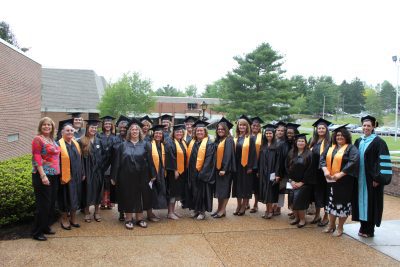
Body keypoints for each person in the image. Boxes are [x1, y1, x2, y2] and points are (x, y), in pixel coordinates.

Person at [111, 119, 156, 229]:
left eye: (136, 129)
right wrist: (114, 176)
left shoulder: (145, 144)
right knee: (128, 196)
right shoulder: (123, 145)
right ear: (129, 132)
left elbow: (150, 160)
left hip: (142, 176)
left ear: (140, 131)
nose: (134, 131)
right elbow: (116, 162)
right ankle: (128, 219)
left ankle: (140, 219)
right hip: (126, 176)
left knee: (140, 196)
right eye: (132, 129)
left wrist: (153, 174)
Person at [353, 115, 392, 237]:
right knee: (360, 202)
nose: (366, 128)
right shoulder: (359, 141)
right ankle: (363, 226)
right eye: (364, 125)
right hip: (360, 179)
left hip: (372, 179)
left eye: (368, 125)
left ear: (373, 126)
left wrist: (378, 178)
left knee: (371, 203)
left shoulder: (379, 142)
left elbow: (383, 161)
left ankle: (369, 230)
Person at [320, 125, 359, 237]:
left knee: (342, 204)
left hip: (344, 182)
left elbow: (353, 162)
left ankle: (340, 227)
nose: (339, 137)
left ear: (346, 136)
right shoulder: (331, 147)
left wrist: (341, 174)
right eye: (337, 135)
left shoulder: (351, 148)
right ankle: (331, 225)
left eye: (342, 135)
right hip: (330, 181)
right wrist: (325, 170)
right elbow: (322, 158)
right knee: (331, 203)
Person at [31, 117, 60, 241]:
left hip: (54, 175)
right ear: (40, 126)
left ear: (52, 127)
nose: (47, 127)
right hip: (43, 175)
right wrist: (43, 175)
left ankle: (45, 227)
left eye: (49, 125)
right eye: (44, 125)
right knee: (43, 205)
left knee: (51, 203)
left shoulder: (52, 139)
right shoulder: (38, 139)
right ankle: (37, 232)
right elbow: (36, 157)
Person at [186, 120, 216, 220]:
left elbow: (209, 160)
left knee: (202, 192)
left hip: (203, 173)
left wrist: (202, 172)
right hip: (192, 172)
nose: (199, 132)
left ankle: (202, 212)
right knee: (194, 192)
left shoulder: (209, 144)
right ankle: (196, 210)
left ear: (205, 132)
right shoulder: (192, 142)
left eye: (201, 131)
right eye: (197, 131)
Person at [57, 121, 83, 230]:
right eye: (67, 130)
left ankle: (73, 218)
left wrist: (82, 173)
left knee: (75, 197)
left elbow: (80, 160)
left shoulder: (76, 144)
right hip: (64, 177)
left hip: (76, 176)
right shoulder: (58, 144)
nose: (70, 132)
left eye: (71, 130)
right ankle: (64, 218)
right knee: (65, 197)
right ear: (62, 132)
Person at [286, 134, 314, 228]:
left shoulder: (309, 154)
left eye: (302, 141)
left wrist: (302, 182)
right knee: (292, 200)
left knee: (300, 201)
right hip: (292, 182)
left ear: (305, 143)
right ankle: (296, 218)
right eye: (299, 141)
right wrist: (291, 180)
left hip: (304, 183)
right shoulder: (291, 152)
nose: (300, 143)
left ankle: (302, 219)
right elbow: (286, 167)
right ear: (296, 142)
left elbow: (311, 170)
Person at [79, 119, 104, 223]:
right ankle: (87, 212)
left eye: (95, 127)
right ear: (87, 128)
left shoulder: (99, 141)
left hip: (98, 171)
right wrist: (82, 172)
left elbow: (103, 156)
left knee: (98, 190)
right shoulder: (82, 141)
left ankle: (97, 211)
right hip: (87, 170)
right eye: (91, 127)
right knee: (87, 190)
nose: (93, 129)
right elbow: (79, 158)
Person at [308, 118, 332, 227]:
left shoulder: (329, 142)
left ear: (326, 130)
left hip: (324, 173)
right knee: (316, 194)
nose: (321, 130)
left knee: (326, 194)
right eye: (319, 128)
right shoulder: (312, 141)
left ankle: (326, 217)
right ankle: (317, 215)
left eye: (323, 128)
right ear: (316, 130)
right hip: (314, 173)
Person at [232, 116, 257, 216]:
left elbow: (253, 153)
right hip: (236, 166)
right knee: (237, 186)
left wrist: (251, 167)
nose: (241, 127)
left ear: (247, 127)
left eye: (243, 125)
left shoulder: (250, 138)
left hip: (246, 166)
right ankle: (238, 205)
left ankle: (244, 206)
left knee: (245, 186)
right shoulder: (235, 137)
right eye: (240, 125)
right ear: (237, 126)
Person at [212, 118, 236, 218]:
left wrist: (224, 169)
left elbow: (228, 155)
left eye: (222, 129)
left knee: (225, 190)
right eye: (218, 129)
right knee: (219, 191)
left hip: (225, 170)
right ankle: (219, 209)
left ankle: (222, 210)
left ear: (226, 130)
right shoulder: (218, 140)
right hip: (217, 169)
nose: (220, 130)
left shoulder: (229, 140)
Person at [258, 124, 281, 219]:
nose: (268, 135)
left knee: (270, 191)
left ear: (273, 134)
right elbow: (260, 160)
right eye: (266, 133)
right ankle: (267, 209)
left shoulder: (277, 146)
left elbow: (279, 161)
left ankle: (270, 210)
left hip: (272, 172)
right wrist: (259, 171)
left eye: (270, 133)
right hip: (263, 171)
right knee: (265, 191)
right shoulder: (263, 145)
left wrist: (277, 174)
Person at [165, 124, 187, 219]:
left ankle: (173, 211)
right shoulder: (170, 143)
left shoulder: (182, 142)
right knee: (172, 192)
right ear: (173, 133)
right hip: (173, 172)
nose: (179, 133)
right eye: (177, 132)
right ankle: (170, 212)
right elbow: (170, 158)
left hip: (181, 172)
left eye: (181, 132)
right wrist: (175, 170)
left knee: (176, 191)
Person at [111, 115, 130, 221]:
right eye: (121, 127)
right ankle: (121, 212)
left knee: (129, 192)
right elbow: (109, 156)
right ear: (118, 127)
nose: (123, 129)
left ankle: (128, 211)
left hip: (129, 169)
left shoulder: (130, 139)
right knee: (120, 192)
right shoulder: (114, 139)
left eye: (125, 127)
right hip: (118, 169)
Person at [148, 125, 168, 221]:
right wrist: (151, 174)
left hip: (161, 172)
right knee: (151, 193)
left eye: (160, 133)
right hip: (152, 173)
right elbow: (147, 161)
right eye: (156, 133)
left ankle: (151, 213)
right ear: (153, 134)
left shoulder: (163, 145)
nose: (158, 135)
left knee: (157, 193)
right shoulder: (149, 144)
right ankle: (149, 214)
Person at [98, 116, 116, 210]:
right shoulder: (99, 136)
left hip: (111, 163)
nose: (107, 125)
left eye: (109, 124)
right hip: (101, 163)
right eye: (106, 124)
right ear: (103, 125)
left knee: (109, 183)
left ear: (112, 125)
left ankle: (108, 202)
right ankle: (102, 202)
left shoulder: (115, 137)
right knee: (102, 183)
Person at [250, 116, 264, 213]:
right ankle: (246, 203)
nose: (255, 127)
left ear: (260, 128)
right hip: (247, 165)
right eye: (254, 125)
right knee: (247, 185)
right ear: (251, 126)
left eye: (257, 126)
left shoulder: (262, 138)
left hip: (258, 165)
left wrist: (259, 168)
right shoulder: (247, 136)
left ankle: (255, 204)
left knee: (256, 186)